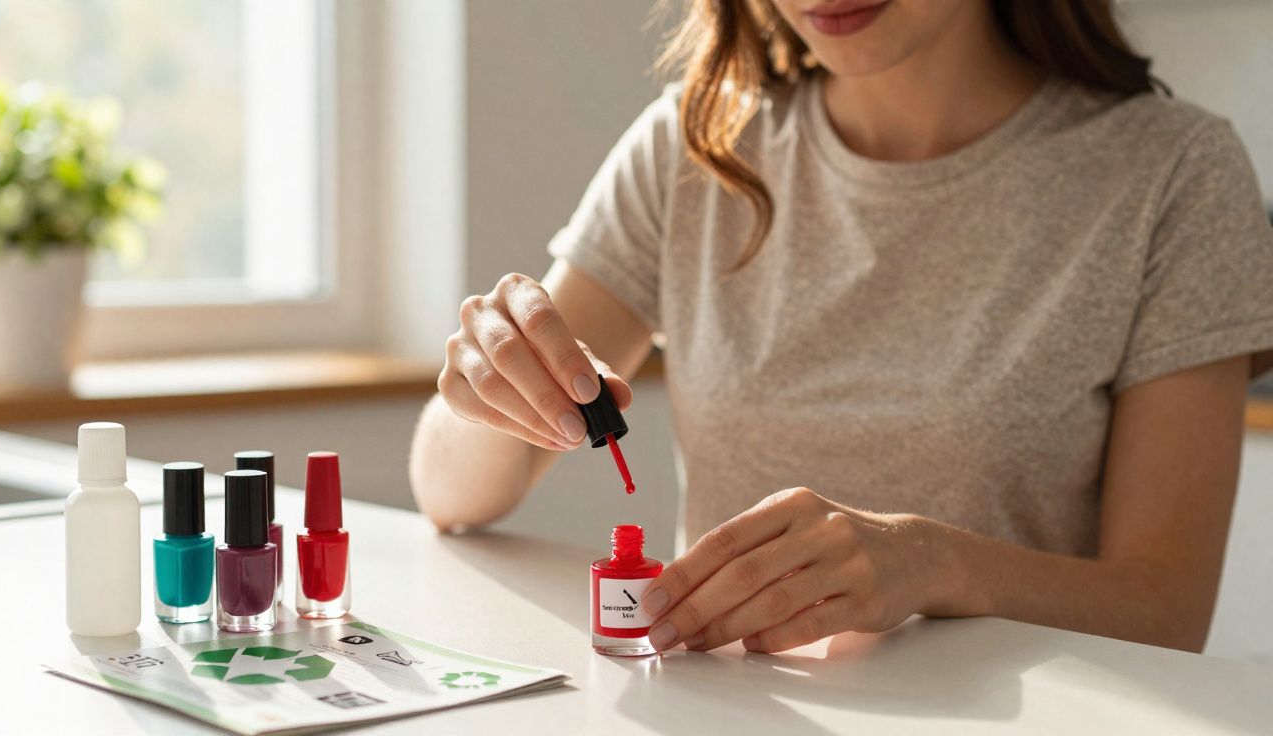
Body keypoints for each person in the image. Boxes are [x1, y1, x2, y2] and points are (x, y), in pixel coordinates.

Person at [410, 0, 1273, 654]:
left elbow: (1166, 612)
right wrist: (488, 391)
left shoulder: (1175, 176)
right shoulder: (695, 146)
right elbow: (449, 495)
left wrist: (933, 563)